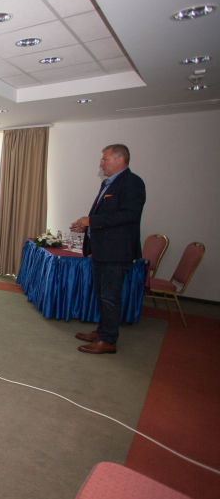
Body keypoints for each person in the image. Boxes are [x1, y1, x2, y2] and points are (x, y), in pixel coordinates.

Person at [71, 144, 146, 355]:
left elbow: (129, 215)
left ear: (120, 159)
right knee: (102, 295)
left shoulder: (132, 182)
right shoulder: (107, 183)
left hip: (117, 252)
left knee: (110, 297)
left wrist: (91, 220)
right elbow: (107, 216)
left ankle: (108, 341)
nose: (101, 164)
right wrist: (86, 225)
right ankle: (102, 331)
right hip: (102, 251)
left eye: (105, 159)